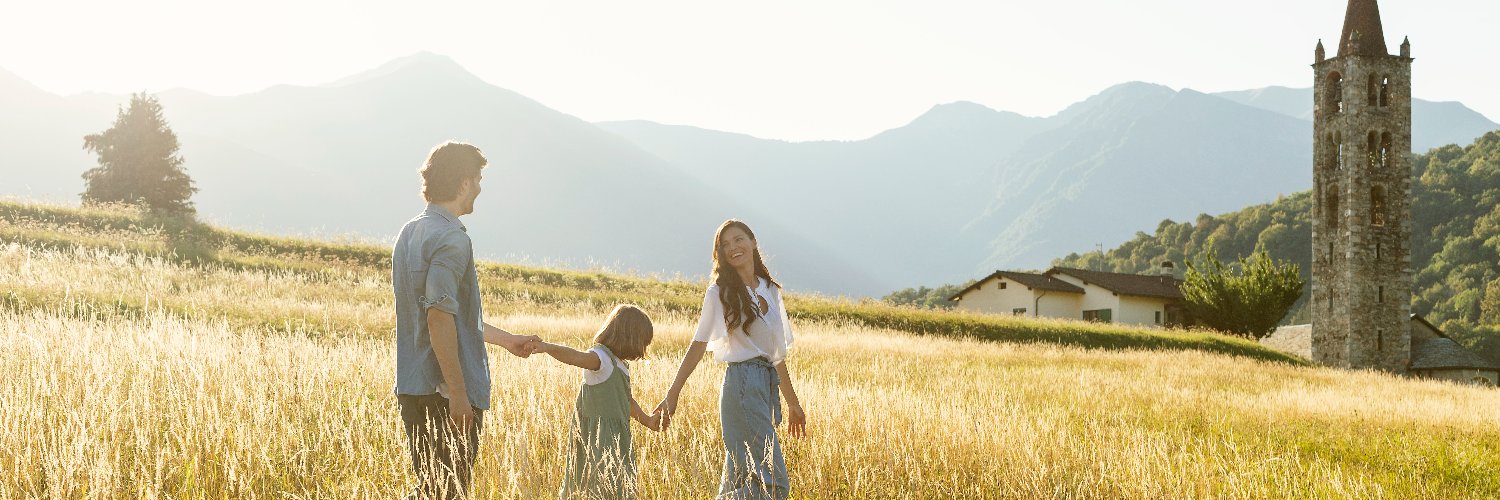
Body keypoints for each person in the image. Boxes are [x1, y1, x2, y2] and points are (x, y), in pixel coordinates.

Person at [392, 141, 540, 499]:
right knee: (449, 493)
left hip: (413, 388)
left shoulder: (409, 232)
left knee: (429, 491)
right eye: (478, 180)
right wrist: (458, 394)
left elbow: (446, 315)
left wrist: (507, 340)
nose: (479, 188)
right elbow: (438, 317)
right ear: (463, 183)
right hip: (445, 392)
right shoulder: (451, 238)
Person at [656, 219, 807, 500]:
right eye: (725, 245)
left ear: (753, 242)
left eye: (738, 239)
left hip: (765, 387)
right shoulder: (719, 292)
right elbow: (698, 344)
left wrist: (793, 403)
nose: (733, 247)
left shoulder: (770, 289)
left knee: (740, 480)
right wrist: (672, 394)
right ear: (721, 254)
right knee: (774, 487)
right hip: (741, 384)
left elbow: (777, 355)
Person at [534, 304, 662, 499]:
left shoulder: (620, 364)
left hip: (617, 436)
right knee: (595, 485)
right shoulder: (602, 359)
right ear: (630, 338)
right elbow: (575, 357)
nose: (642, 350)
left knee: (618, 486)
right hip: (597, 438)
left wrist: (648, 420)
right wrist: (547, 347)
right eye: (642, 343)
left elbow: (625, 400)